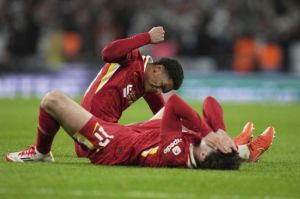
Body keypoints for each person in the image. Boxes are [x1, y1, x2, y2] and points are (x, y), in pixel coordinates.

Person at [6, 91, 275, 169]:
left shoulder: (176, 154)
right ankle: (239, 150)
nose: (206, 140)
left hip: (112, 145)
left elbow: (175, 106)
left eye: (210, 145)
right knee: (187, 118)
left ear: (203, 156)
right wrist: (219, 130)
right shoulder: (197, 148)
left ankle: (41, 153)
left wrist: (208, 132)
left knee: (52, 100)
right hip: (139, 133)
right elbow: (210, 102)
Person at [76, 26, 184, 157]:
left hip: (105, 135)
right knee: (144, 134)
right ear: (158, 69)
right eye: (162, 85)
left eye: (163, 90)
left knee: (155, 127)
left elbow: (163, 114)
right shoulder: (132, 59)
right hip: (92, 135)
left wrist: (181, 131)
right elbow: (107, 53)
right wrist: (147, 37)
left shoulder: (149, 87)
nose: (159, 91)